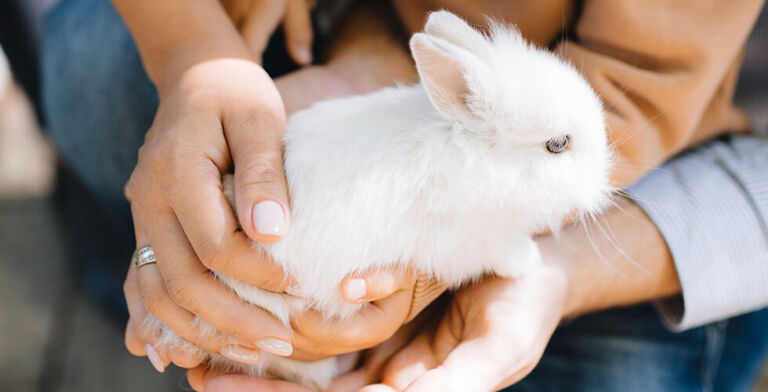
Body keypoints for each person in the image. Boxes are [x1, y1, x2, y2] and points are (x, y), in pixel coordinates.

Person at [42, 0, 767, 390]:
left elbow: (632, 90)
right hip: (379, 76)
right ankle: (156, 293)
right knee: (97, 62)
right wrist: (203, 60)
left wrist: (558, 273)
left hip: (695, 184)